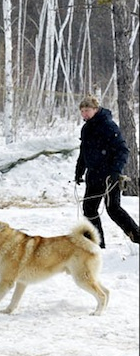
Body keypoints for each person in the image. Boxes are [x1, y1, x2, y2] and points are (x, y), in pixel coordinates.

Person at [74, 95, 139, 248]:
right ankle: (97, 244)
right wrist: (79, 171)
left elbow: (123, 150)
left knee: (113, 209)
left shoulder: (108, 125)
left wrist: (116, 171)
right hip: (93, 176)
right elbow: (84, 152)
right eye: (82, 111)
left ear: (95, 109)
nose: (84, 114)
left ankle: (137, 236)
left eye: (87, 110)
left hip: (110, 176)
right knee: (89, 209)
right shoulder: (86, 128)